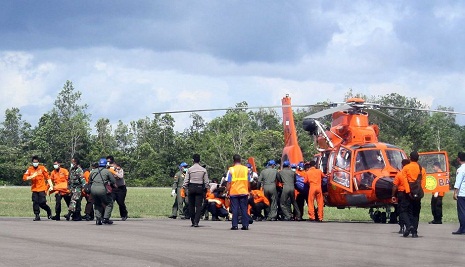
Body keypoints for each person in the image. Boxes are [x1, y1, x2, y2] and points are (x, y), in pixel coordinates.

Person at [402, 151, 426, 238]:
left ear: (410, 158)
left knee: (406, 211)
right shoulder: (422, 169)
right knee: (416, 213)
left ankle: (409, 226)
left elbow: (405, 181)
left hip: (408, 193)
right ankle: (415, 232)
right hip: (418, 193)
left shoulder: (406, 168)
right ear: (418, 158)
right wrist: (419, 192)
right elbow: (423, 182)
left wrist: (408, 192)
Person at [22, 155, 53, 221]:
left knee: (42, 203)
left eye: (36, 162)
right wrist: (32, 176)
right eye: (34, 162)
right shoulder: (30, 169)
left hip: (42, 188)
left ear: (38, 162)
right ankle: (37, 215)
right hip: (34, 189)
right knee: (35, 202)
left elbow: (48, 177)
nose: (35, 163)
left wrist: (51, 185)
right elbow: (24, 178)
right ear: (32, 162)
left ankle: (48, 210)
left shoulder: (42, 168)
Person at [182, 154, 209, 227]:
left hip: (191, 187)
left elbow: (186, 180)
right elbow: (206, 182)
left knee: (191, 205)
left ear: (193, 160)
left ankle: (193, 221)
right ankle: (197, 221)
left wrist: (183, 188)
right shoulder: (203, 170)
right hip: (200, 187)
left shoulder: (190, 169)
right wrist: (207, 189)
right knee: (198, 206)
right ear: (199, 160)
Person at [226, 154, 251, 230]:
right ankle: (245, 225)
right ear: (240, 160)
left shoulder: (231, 170)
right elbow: (249, 181)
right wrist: (248, 190)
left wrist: (227, 191)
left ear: (233, 161)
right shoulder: (246, 169)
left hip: (234, 192)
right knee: (244, 208)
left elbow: (228, 182)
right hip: (244, 191)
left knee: (235, 209)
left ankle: (235, 225)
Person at [90, 158, 116, 225]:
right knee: (109, 203)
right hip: (102, 189)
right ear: (105, 164)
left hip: (93, 189)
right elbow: (113, 181)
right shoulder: (107, 171)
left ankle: (98, 219)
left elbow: (89, 180)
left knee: (97, 203)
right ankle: (106, 218)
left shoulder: (93, 171)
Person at [392, 159, 411, 234]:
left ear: (402, 165)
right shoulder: (411, 174)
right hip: (410, 193)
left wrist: (393, 195)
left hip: (401, 194)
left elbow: (395, 186)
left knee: (402, 211)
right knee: (410, 210)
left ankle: (402, 227)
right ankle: (410, 225)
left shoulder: (400, 174)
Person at [107, 156, 128, 221]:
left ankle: (124, 215)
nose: (110, 165)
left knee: (120, 202)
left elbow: (120, 176)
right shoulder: (108, 170)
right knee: (110, 202)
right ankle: (106, 216)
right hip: (113, 188)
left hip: (121, 188)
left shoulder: (119, 169)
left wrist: (114, 172)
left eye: (111, 164)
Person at [452, 152, 465, 235]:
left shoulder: (461, 169)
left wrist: (455, 192)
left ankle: (462, 228)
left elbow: (458, 182)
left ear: (459, 159)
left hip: (462, 193)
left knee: (462, 212)